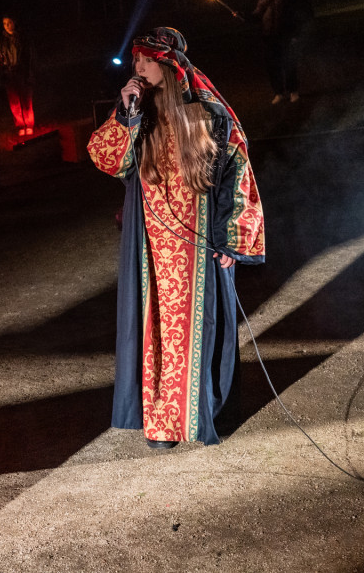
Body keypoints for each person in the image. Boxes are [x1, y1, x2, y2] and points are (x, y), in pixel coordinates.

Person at [87, 27, 265, 448]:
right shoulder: (136, 112)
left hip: (199, 243)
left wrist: (233, 239)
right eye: (136, 62)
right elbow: (106, 158)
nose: (138, 70)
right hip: (150, 245)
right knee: (156, 331)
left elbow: (238, 175)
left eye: (146, 62)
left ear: (167, 65)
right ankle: (163, 423)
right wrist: (126, 114)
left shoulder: (208, 112)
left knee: (200, 330)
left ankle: (200, 417)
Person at [252, 0, 306, 104]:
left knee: (289, 64)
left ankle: (293, 91)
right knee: (272, 66)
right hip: (269, 37)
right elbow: (257, 14)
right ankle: (279, 93)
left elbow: (295, 16)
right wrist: (243, 15)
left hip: (285, 36)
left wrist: (295, 35)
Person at [0, 16, 35, 136]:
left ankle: (29, 124)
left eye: (9, 22)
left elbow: (30, 56)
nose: (7, 25)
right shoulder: (1, 41)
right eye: (4, 23)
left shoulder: (22, 38)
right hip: (9, 74)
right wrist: (2, 71)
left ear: (14, 22)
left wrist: (30, 73)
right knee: (14, 102)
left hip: (22, 72)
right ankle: (20, 125)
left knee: (26, 100)